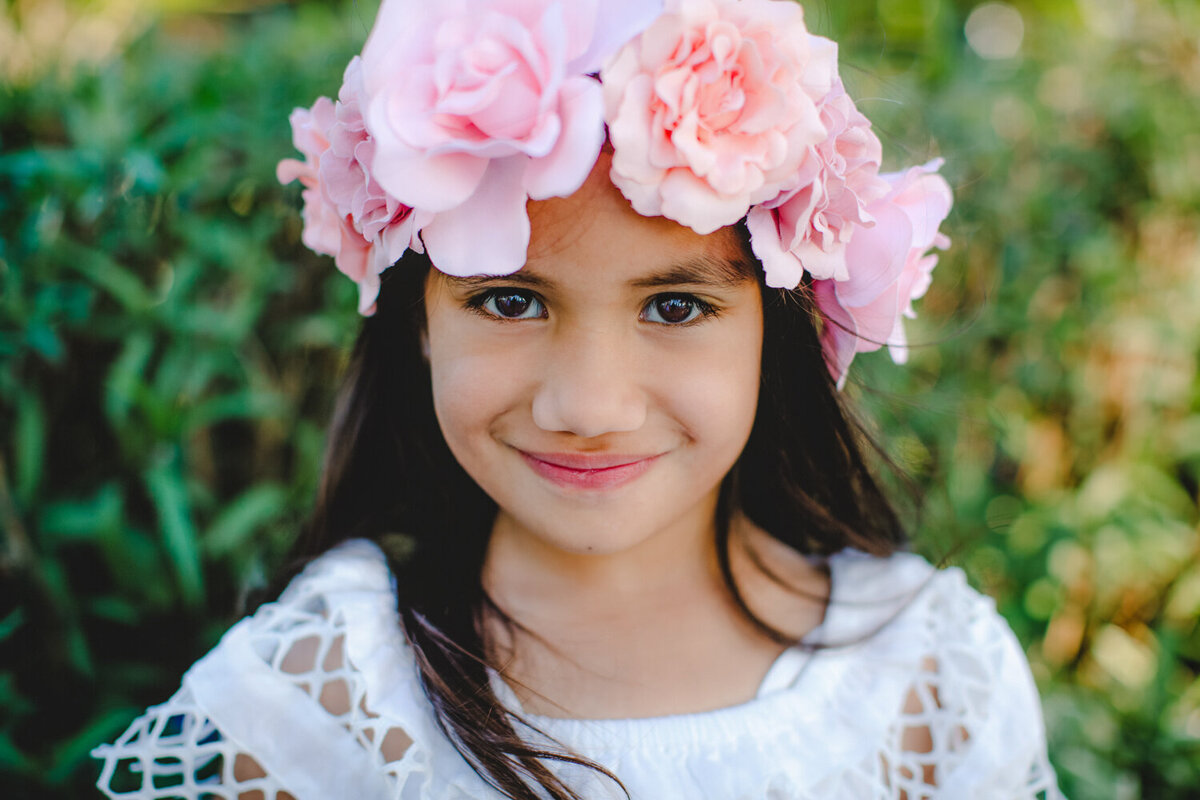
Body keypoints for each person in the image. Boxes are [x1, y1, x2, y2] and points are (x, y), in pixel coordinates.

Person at [93, 0, 1064, 797]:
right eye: (510, 300)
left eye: (676, 304)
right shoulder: (320, 703)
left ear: (779, 330)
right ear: (418, 318)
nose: (590, 404)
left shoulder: (930, 682)